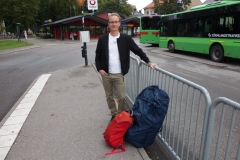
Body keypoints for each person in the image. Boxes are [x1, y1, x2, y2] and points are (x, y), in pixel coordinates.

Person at [95, 13, 157, 122]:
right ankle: (114, 115)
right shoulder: (103, 39)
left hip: (119, 74)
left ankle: (120, 116)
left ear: (119, 23)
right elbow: (98, 55)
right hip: (106, 74)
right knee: (109, 97)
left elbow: (137, 50)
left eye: (115, 22)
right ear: (108, 24)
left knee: (122, 97)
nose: (114, 24)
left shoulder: (125, 39)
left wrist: (148, 61)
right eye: (111, 22)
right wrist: (99, 69)